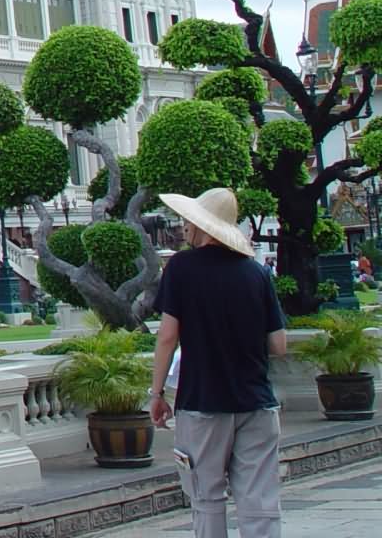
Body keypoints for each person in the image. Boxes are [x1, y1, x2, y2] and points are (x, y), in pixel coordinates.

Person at [151, 187, 287, 538]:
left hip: (203, 402)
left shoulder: (181, 268)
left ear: (201, 226)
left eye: (188, 220)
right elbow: (279, 344)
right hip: (257, 402)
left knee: (207, 499)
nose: (184, 226)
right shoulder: (256, 272)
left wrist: (156, 393)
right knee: (259, 501)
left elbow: (167, 337)